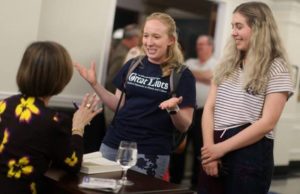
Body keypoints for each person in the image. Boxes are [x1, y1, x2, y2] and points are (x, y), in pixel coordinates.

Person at [75, 12, 196, 179]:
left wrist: (173, 108)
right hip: (112, 144)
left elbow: (184, 126)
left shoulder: (182, 75)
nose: (149, 42)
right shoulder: (133, 64)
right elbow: (118, 104)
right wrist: (94, 84)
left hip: (150, 152)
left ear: (171, 40)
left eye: (156, 37)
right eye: (146, 35)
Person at [199, 2, 294, 194]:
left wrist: (221, 149)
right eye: (232, 26)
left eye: (239, 26)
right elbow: (209, 108)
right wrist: (210, 151)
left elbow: (267, 123)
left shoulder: (276, 67)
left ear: (259, 28)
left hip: (249, 154)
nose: (233, 32)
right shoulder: (226, 64)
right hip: (215, 146)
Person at [0, 41, 101, 194]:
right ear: (61, 78)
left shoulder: (3, 105)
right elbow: (72, 163)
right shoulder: (53, 121)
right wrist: (78, 127)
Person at [169, 35, 217, 189]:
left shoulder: (217, 63)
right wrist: (202, 76)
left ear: (211, 47)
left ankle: (197, 184)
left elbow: (210, 76)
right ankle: (174, 182)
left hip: (205, 113)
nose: (199, 47)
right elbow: (184, 74)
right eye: (198, 44)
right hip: (185, 109)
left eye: (202, 44)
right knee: (180, 147)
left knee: (200, 148)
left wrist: (193, 74)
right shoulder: (190, 62)